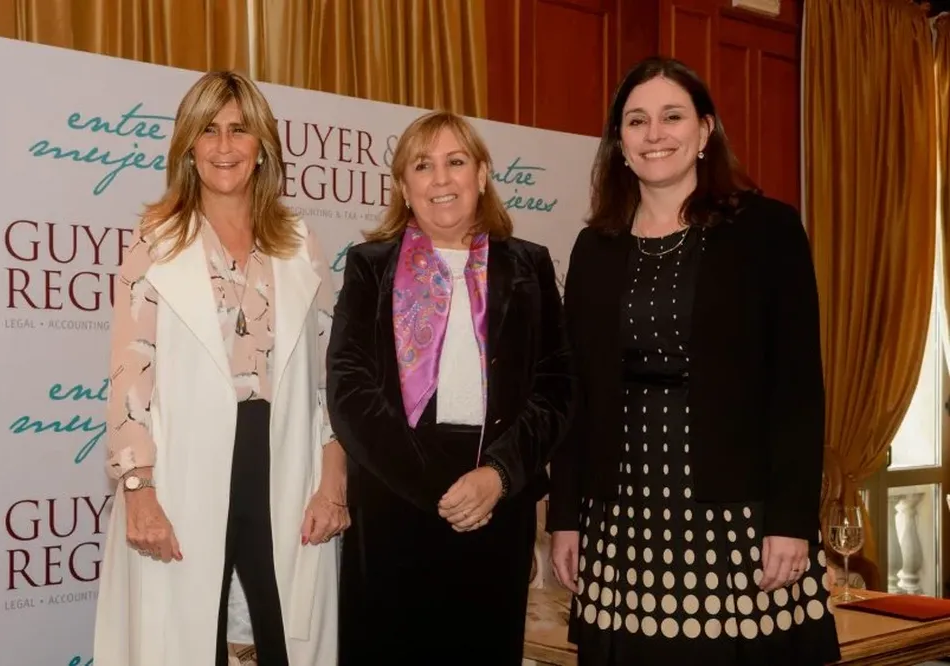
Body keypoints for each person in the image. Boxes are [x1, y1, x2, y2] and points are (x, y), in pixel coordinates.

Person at [548, 56, 841, 665]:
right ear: (619, 142)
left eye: (672, 116)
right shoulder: (594, 246)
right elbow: (576, 394)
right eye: (636, 121)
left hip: (738, 517)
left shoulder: (768, 229)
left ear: (705, 131)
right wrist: (566, 516)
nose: (655, 134)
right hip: (620, 515)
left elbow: (796, 389)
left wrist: (791, 520)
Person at [93, 70, 349, 666]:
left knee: (281, 637)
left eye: (239, 129)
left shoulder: (299, 244)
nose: (225, 145)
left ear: (262, 146)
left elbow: (328, 379)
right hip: (186, 468)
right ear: (188, 146)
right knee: (188, 641)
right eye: (208, 130)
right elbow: (130, 378)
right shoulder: (155, 242)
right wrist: (139, 492)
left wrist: (333, 481)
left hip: (282, 462)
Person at [326, 110, 575, 665]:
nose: (441, 179)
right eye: (423, 165)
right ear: (403, 187)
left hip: (496, 501)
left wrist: (499, 476)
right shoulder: (370, 267)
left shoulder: (528, 266)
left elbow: (557, 387)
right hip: (395, 499)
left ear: (482, 174)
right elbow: (349, 388)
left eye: (456, 162)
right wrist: (437, 486)